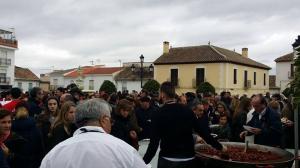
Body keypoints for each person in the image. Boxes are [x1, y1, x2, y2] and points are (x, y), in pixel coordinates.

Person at [40, 99, 147, 168]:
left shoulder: (55, 153)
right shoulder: (124, 150)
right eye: (110, 120)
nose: (111, 123)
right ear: (104, 120)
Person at [143, 82, 225, 168]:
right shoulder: (188, 111)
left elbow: (153, 144)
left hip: (167, 159)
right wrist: (220, 147)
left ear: (162, 94)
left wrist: (142, 162)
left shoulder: (157, 113)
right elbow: (203, 132)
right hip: (188, 159)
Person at [11, 101, 44, 168]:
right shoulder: (35, 126)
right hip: (33, 163)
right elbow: (40, 148)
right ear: (28, 111)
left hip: (16, 163)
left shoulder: (10, 127)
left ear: (16, 111)